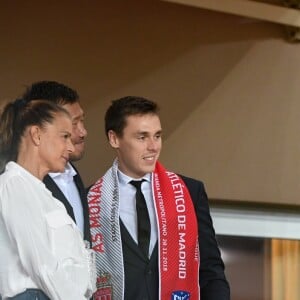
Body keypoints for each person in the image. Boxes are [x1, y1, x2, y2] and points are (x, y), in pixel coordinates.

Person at [88, 96, 230, 299]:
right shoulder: (90, 201)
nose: (153, 147)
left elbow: (211, 269)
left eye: (157, 136)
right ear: (114, 139)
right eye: (142, 137)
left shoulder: (190, 191)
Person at [0, 99, 95, 299]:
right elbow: (42, 265)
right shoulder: (13, 185)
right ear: (36, 134)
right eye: (64, 136)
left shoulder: (48, 197)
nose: (70, 147)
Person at [22, 81, 90, 242]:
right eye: (73, 124)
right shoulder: (18, 183)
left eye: (82, 121)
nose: (83, 132)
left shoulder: (73, 174)